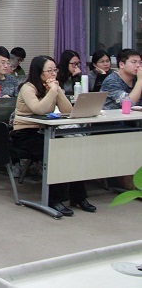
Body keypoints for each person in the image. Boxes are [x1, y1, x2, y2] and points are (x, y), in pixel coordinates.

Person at [12, 55, 95, 216]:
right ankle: (54, 200)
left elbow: (68, 111)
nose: (53, 74)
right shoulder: (28, 88)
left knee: (72, 149)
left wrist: (58, 92)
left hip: (45, 131)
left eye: (54, 70)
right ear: (39, 72)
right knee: (57, 153)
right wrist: (53, 91)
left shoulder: (52, 87)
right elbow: (39, 109)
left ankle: (79, 197)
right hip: (25, 134)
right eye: (49, 71)